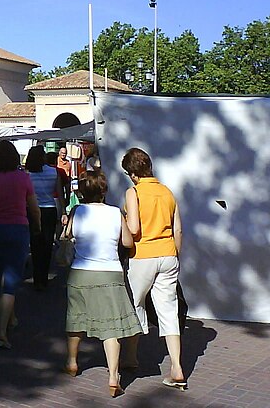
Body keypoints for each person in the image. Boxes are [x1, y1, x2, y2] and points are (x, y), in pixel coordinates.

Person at [63, 170, 142, 398]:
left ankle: (72, 362)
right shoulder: (115, 213)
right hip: (110, 273)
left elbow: (67, 237)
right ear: (103, 191)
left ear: (82, 192)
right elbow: (127, 241)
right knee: (112, 328)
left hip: (80, 272)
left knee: (76, 318)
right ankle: (112, 376)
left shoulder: (77, 211)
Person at [121, 147, 186, 390]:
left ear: (133, 173)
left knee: (135, 303)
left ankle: (130, 356)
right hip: (168, 254)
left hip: (142, 254)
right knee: (168, 310)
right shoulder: (167, 192)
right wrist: (175, 254)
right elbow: (177, 229)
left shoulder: (133, 192)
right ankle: (177, 367)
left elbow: (134, 228)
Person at [0, 140, 40, 349]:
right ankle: (1, 331)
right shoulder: (23, 178)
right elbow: (33, 207)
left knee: (2, 276)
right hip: (18, 229)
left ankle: (11, 318)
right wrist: (38, 225)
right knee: (11, 282)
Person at [25, 145, 66, 290]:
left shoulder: (27, 174)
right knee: (48, 244)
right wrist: (64, 211)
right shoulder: (54, 172)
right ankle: (44, 276)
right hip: (50, 209)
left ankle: (37, 277)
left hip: (32, 209)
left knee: (35, 244)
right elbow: (60, 193)